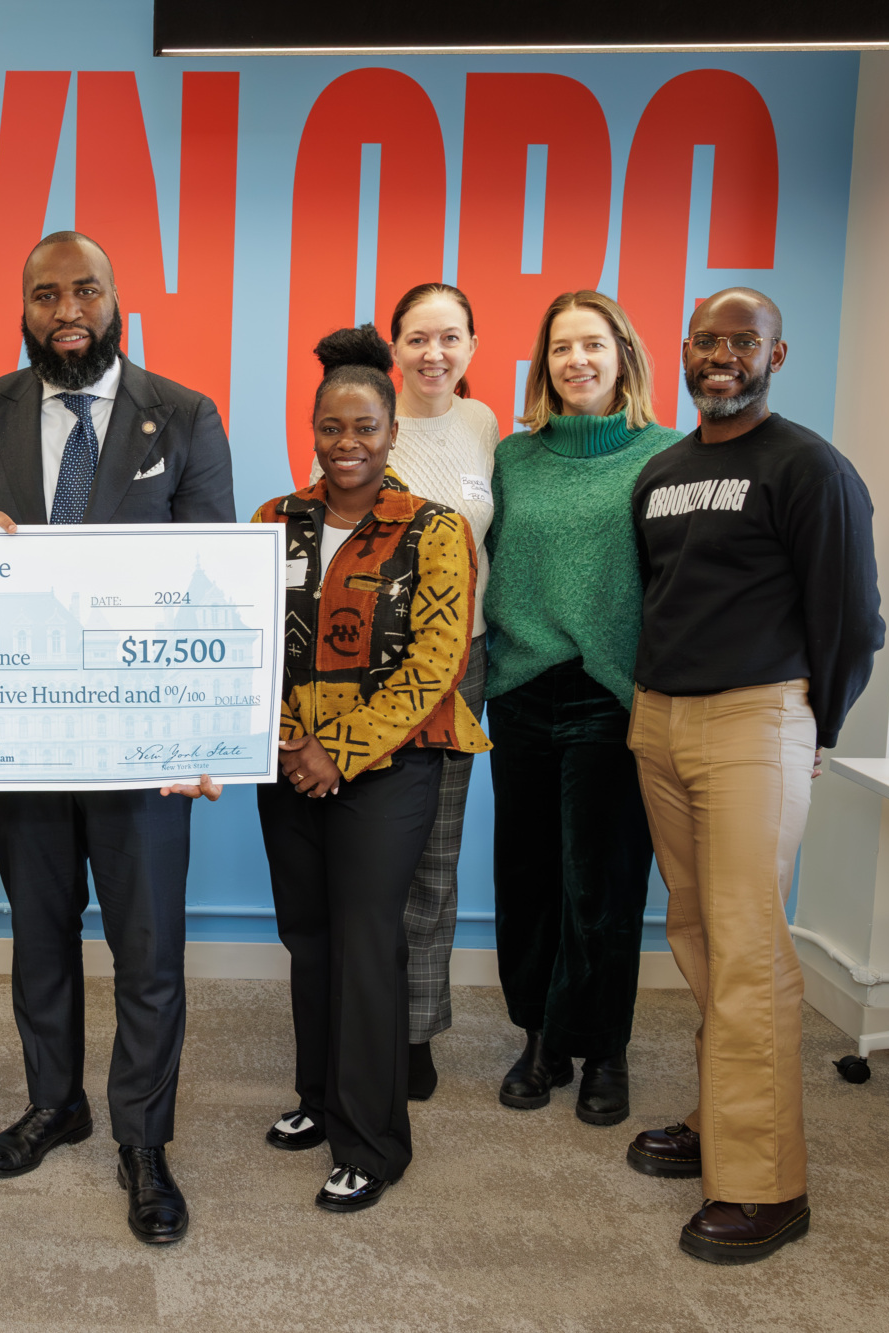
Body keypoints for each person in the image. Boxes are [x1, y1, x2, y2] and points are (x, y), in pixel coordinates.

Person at [0, 231, 234, 1246]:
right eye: (45, 291)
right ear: (21, 307)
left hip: (143, 746)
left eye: (85, 288)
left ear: (116, 299)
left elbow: (209, 588)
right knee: (38, 936)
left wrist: (204, 732)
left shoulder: (184, 414)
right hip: (22, 736)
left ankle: (143, 1140)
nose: (67, 306)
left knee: (147, 951)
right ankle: (54, 1101)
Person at [625, 289, 882, 1264]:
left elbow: (850, 617)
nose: (721, 354)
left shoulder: (807, 466)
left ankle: (763, 1181)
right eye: (706, 340)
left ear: (778, 351)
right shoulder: (662, 472)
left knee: (745, 942)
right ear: (683, 351)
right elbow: (657, 597)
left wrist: (812, 724)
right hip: (659, 719)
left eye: (742, 340)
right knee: (694, 934)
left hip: (754, 719)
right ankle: (721, 1113)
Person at [253, 326, 489, 1211]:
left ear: (392, 432)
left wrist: (336, 752)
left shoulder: (434, 529)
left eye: (364, 427)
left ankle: (375, 1139)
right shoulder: (273, 522)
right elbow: (251, 645)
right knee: (308, 937)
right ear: (311, 429)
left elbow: (436, 663)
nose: (346, 444)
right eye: (330, 427)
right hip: (285, 763)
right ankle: (320, 1101)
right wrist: (287, 741)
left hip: (388, 771)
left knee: (366, 944)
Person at [483, 290, 680, 1127]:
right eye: (562, 348)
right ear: (545, 364)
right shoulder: (511, 459)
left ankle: (603, 1047)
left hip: (612, 691)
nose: (578, 361)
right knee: (527, 878)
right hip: (523, 687)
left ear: (624, 356)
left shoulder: (668, 456)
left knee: (600, 885)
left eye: (593, 345)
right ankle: (539, 1038)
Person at [312, 284, 499, 1100]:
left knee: (434, 857)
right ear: (396, 347)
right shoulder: (357, 416)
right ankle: (360, 1021)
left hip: (461, 662)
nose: (436, 352)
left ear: (471, 345)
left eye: (451, 337)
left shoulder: (487, 427)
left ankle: (414, 1029)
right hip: (360, 675)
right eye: (420, 337)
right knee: (368, 859)